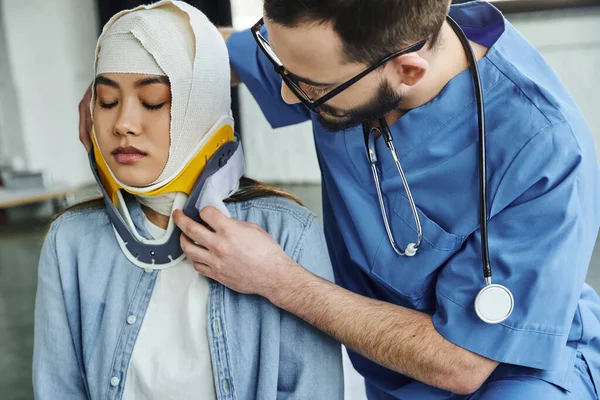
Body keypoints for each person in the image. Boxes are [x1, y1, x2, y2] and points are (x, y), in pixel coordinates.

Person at [79, 0, 600, 399]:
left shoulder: (546, 151)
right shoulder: (349, 41)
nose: (284, 96)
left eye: (306, 85)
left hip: (515, 374)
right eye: (282, 67)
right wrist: (127, 82)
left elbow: (462, 363)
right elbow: (217, 52)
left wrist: (277, 279)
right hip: (391, 375)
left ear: (408, 72)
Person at [35, 2, 344, 399]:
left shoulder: (287, 233)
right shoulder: (70, 242)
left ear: (200, 107)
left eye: (153, 101)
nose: (123, 123)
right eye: (107, 101)